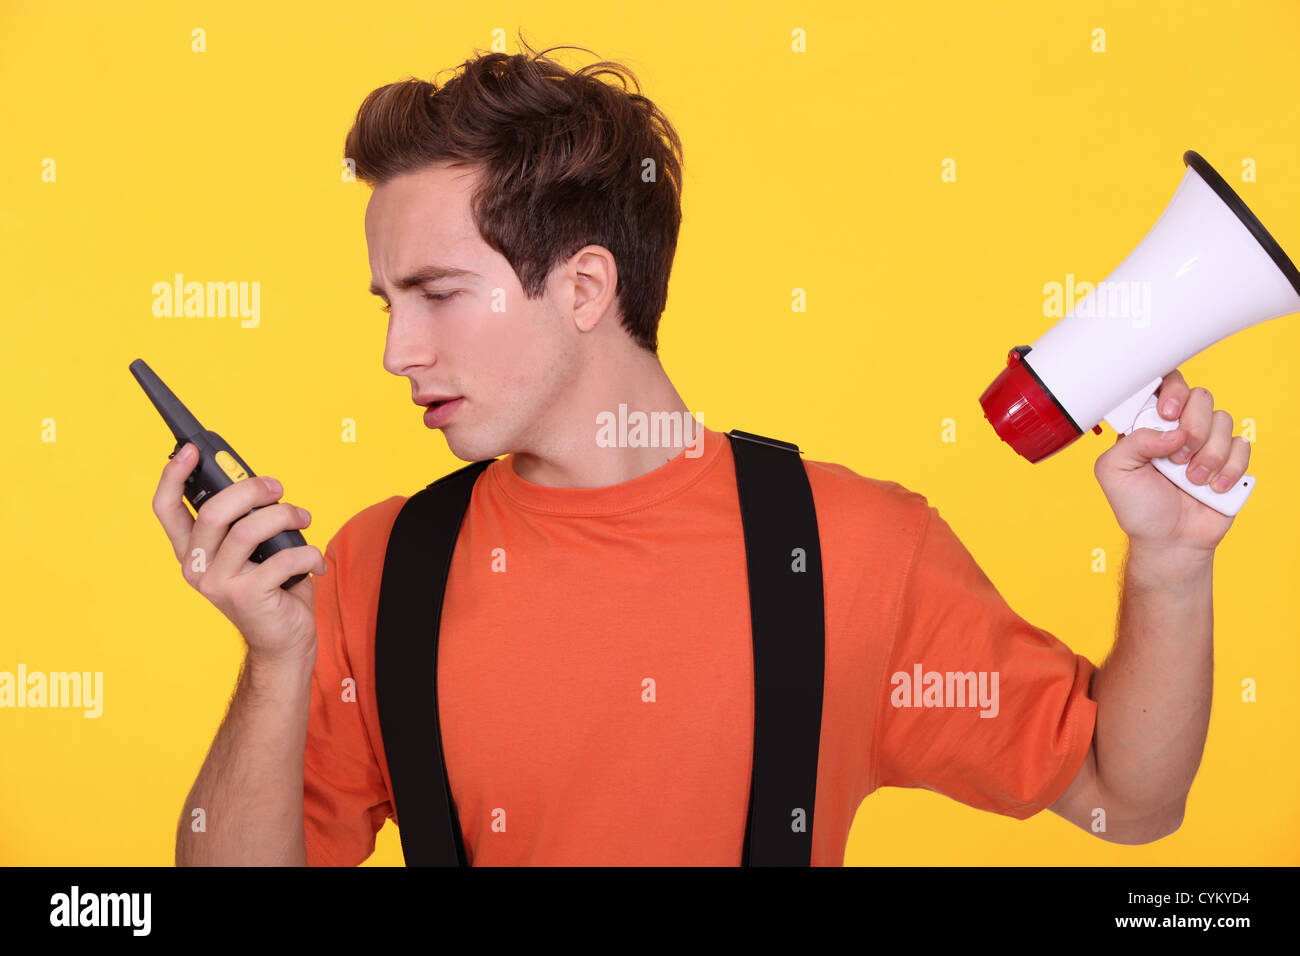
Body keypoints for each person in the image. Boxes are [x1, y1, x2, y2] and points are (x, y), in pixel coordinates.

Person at [158, 37, 1242, 866]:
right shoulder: (376, 566)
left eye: (438, 293)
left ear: (584, 286)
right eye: (387, 302)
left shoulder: (852, 548)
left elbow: (1125, 797)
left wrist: (1170, 562)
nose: (398, 350)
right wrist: (276, 659)